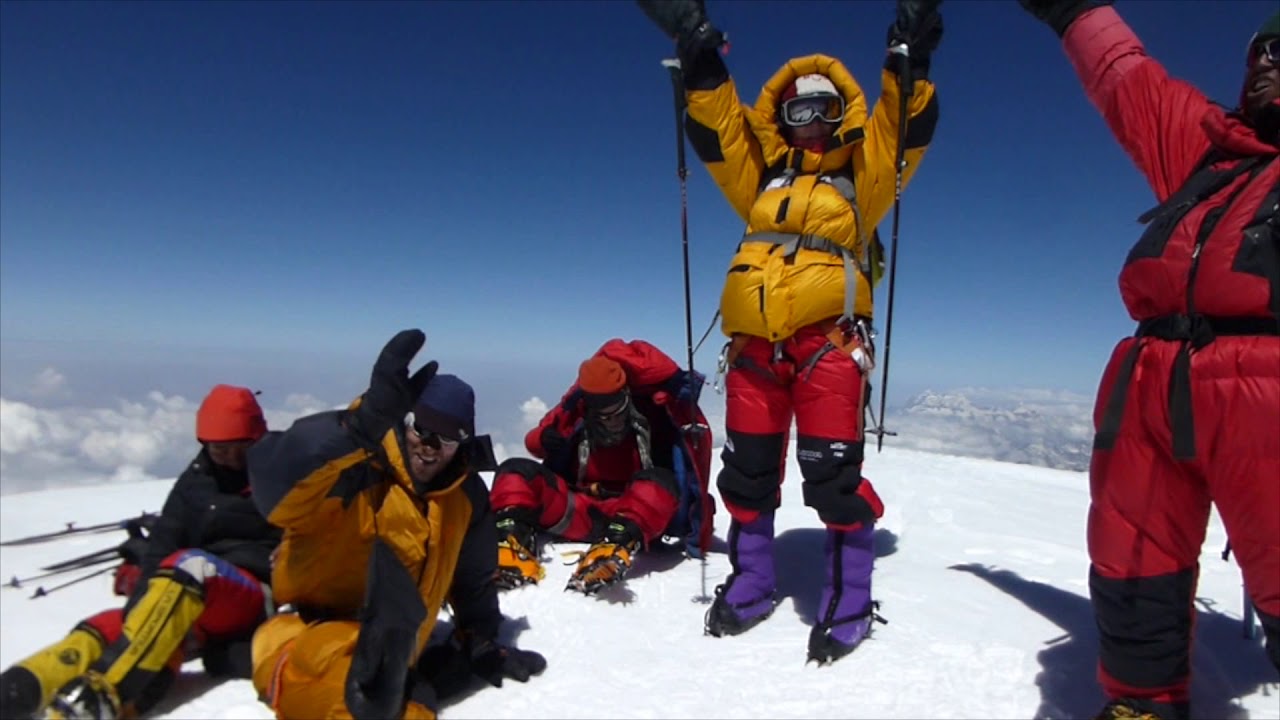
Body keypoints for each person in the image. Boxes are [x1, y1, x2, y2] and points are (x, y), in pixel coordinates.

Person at [637, 0, 942, 664]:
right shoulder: (761, 182)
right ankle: (753, 580)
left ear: (842, 116)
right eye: (797, 112)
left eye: (823, 111)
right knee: (747, 474)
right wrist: (701, 60)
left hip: (827, 346)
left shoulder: (862, 181)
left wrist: (908, 60)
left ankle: (849, 599)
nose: (810, 126)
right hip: (753, 351)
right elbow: (719, 133)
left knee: (833, 480)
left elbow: (902, 130)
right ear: (782, 118)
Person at [1013, 3, 1280, 719]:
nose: (1264, 63)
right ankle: (1142, 702)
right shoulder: (1212, 152)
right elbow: (1127, 78)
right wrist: (1073, 10)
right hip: (1150, 380)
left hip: (1265, 388)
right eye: (1260, 51)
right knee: (1134, 559)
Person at [245, 329, 545, 720]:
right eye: (422, 429)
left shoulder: (465, 497)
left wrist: (480, 642)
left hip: (391, 656)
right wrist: (357, 428)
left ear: (463, 444)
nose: (429, 446)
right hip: (306, 635)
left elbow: (472, 581)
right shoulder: (354, 468)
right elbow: (275, 485)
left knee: (407, 704)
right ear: (405, 422)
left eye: (447, 438)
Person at [0, 384, 280, 720]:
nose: (231, 458)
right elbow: (163, 542)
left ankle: (106, 694)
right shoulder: (196, 481)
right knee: (111, 628)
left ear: (257, 437)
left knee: (190, 567)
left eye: (241, 448)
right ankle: (17, 691)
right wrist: (138, 609)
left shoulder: (285, 472)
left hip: (254, 597)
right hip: (195, 604)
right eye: (221, 449)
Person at [489, 339, 712, 595]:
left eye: (614, 408)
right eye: (601, 411)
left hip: (630, 514)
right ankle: (510, 540)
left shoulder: (656, 414)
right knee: (515, 471)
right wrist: (544, 438)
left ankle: (614, 547)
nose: (608, 418)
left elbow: (689, 470)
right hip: (581, 507)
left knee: (658, 481)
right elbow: (535, 443)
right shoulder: (577, 410)